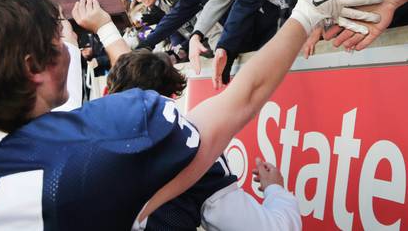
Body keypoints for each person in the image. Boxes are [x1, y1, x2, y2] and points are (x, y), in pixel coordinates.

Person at [0, 0, 380, 229]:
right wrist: (305, 19)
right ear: (32, 69)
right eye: (56, 41)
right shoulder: (103, 149)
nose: (66, 46)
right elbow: (244, 94)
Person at [107, 51, 301, 230]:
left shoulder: (81, 136)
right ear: (173, 98)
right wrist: (275, 189)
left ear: (106, 92)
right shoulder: (192, 151)